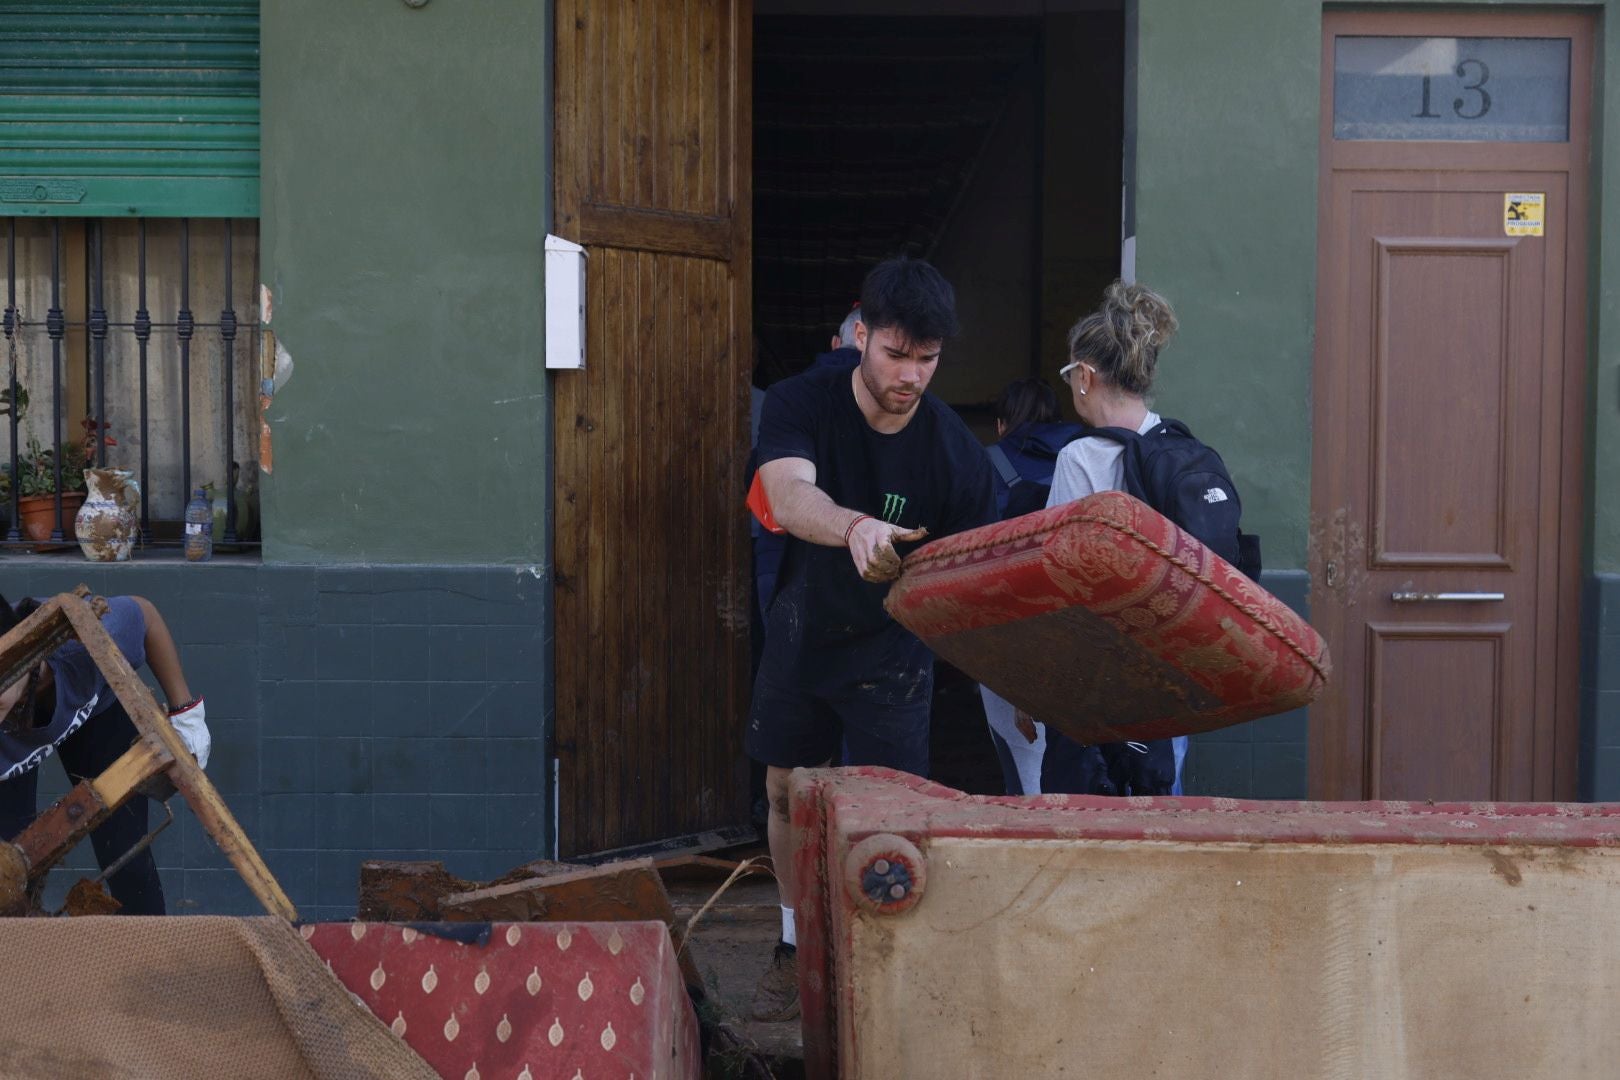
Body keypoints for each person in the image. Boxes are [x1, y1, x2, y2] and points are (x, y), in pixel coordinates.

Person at [747, 256, 996, 1020]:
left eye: (927, 360)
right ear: (861, 335)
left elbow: (979, 570)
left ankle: (886, 962)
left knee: (891, 815)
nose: (910, 376)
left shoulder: (956, 453)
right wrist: (854, 528)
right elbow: (786, 496)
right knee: (788, 791)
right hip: (803, 625)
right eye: (895, 354)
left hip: (893, 655)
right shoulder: (801, 400)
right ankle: (792, 943)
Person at [1033, 280, 1188, 798]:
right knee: (1160, 810)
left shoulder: (1080, 459)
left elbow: (1061, 580)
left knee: (1085, 823)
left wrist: (1030, 682)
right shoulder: (1180, 449)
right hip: (1169, 676)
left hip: (1094, 681)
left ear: (1084, 376)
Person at [0, 593, 210, 915]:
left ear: (21, 656)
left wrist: (187, 714)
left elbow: (146, 614)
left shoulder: (82, 646)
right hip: (10, 745)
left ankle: (150, 956)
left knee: (129, 860)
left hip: (95, 714)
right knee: (8, 881)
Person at [979, 377, 1082, 794]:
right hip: (1079, 627)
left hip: (1008, 626)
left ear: (1002, 424)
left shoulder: (988, 462)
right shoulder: (1085, 454)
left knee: (1021, 755)